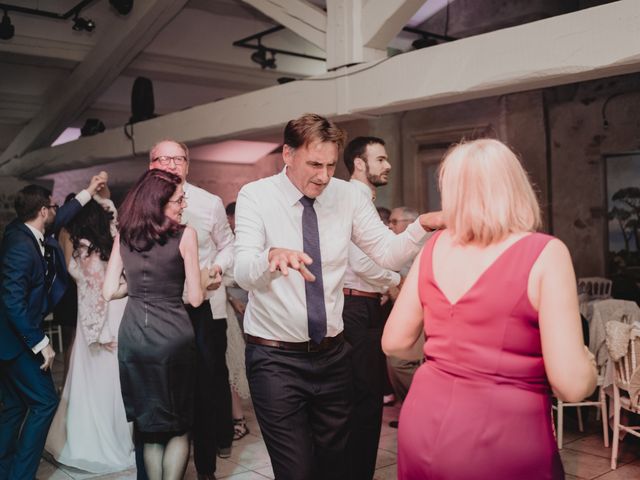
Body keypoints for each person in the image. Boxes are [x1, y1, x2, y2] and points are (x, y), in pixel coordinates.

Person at [234, 113, 442, 480]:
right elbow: (243, 271)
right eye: (314, 164)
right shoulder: (257, 196)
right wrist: (269, 259)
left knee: (337, 467)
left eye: (331, 165)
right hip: (275, 360)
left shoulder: (346, 196)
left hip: (333, 356)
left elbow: (387, 252)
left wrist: (420, 226)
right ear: (288, 154)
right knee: (297, 470)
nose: (324, 176)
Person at [382, 138, 597, 479]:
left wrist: (451, 350)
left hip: (423, 421)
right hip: (503, 434)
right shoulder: (545, 252)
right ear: (515, 186)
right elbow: (570, 385)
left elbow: (394, 342)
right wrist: (589, 365)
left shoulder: (433, 247)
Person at [0, 175, 105, 480]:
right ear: (44, 211)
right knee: (45, 402)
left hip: (14, 338)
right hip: (16, 340)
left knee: (15, 408)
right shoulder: (20, 246)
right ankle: (20, 475)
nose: (57, 211)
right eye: (53, 207)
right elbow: (12, 301)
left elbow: (68, 213)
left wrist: (89, 189)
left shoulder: (27, 230)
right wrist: (40, 342)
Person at [103, 169, 204, 480]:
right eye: (178, 199)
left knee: (149, 427)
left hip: (134, 338)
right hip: (172, 338)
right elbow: (196, 298)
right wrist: (204, 279)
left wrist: (135, 287)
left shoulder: (124, 236)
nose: (183, 204)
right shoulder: (186, 235)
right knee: (178, 424)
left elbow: (109, 291)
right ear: (158, 202)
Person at [147, 140, 235, 479]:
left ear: (188, 164)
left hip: (205, 309)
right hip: (160, 311)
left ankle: (206, 467)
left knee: (207, 386)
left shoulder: (209, 203)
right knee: (164, 389)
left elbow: (229, 244)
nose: (170, 164)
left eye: (177, 158)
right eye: (162, 158)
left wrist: (216, 269)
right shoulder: (140, 206)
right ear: (150, 163)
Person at [46, 185, 135, 473]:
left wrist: (98, 334)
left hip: (101, 325)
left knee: (103, 386)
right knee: (106, 386)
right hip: (102, 323)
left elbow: (94, 296)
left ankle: (102, 439)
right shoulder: (106, 244)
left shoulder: (87, 249)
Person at [341, 136, 402, 479]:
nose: (387, 165)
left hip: (363, 304)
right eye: (380, 159)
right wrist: (393, 281)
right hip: (354, 306)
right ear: (360, 164)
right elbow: (361, 260)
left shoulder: (362, 197)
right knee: (363, 400)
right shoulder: (354, 197)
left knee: (365, 398)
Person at [224, 201, 251, 442]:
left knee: (241, 358)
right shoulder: (224, 241)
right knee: (233, 360)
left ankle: (240, 417)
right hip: (229, 300)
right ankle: (234, 416)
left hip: (245, 297)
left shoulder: (244, 241)